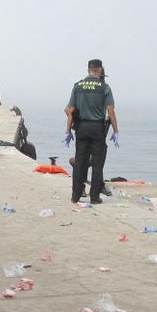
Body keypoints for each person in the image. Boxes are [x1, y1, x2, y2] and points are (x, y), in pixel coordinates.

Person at [64, 59, 119, 205]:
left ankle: (75, 195)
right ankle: (94, 197)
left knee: (80, 161)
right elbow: (111, 111)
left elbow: (69, 110)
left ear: (88, 69)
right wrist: (116, 131)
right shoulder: (104, 87)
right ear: (100, 70)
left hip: (81, 128)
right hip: (97, 128)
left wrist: (68, 131)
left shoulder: (78, 86)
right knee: (97, 162)